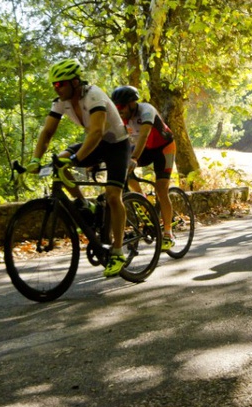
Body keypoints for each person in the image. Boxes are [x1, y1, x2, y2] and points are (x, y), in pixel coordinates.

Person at [25, 58, 131, 278]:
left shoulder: (94, 95)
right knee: (58, 163)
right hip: (95, 143)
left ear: (74, 82)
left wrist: (75, 159)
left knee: (113, 196)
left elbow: (96, 132)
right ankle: (85, 205)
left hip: (116, 145)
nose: (57, 88)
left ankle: (119, 251)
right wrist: (35, 160)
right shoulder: (60, 101)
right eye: (54, 85)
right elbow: (47, 133)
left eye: (60, 84)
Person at [111, 85, 177, 251]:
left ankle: (168, 233)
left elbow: (144, 135)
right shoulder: (120, 118)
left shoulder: (146, 110)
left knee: (162, 189)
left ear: (133, 103)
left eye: (122, 106)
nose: (119, 111)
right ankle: (142, 200)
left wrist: (134, 158)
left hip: (164, 148)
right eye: (116, 107)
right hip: (145, 149)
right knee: (124, 170)